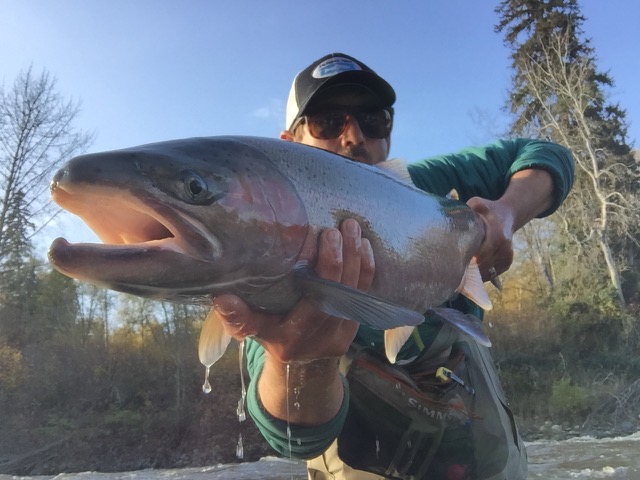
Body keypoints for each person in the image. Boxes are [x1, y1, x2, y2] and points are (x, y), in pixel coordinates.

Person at [214, 53, 574, 479]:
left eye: (373, 119)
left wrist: (506, 214)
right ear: (288, 145)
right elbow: (294, 436)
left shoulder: (427, 186)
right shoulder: (268, 249)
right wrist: (300, 362)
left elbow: (546, 153)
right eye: (327, 121)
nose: (353, 137)